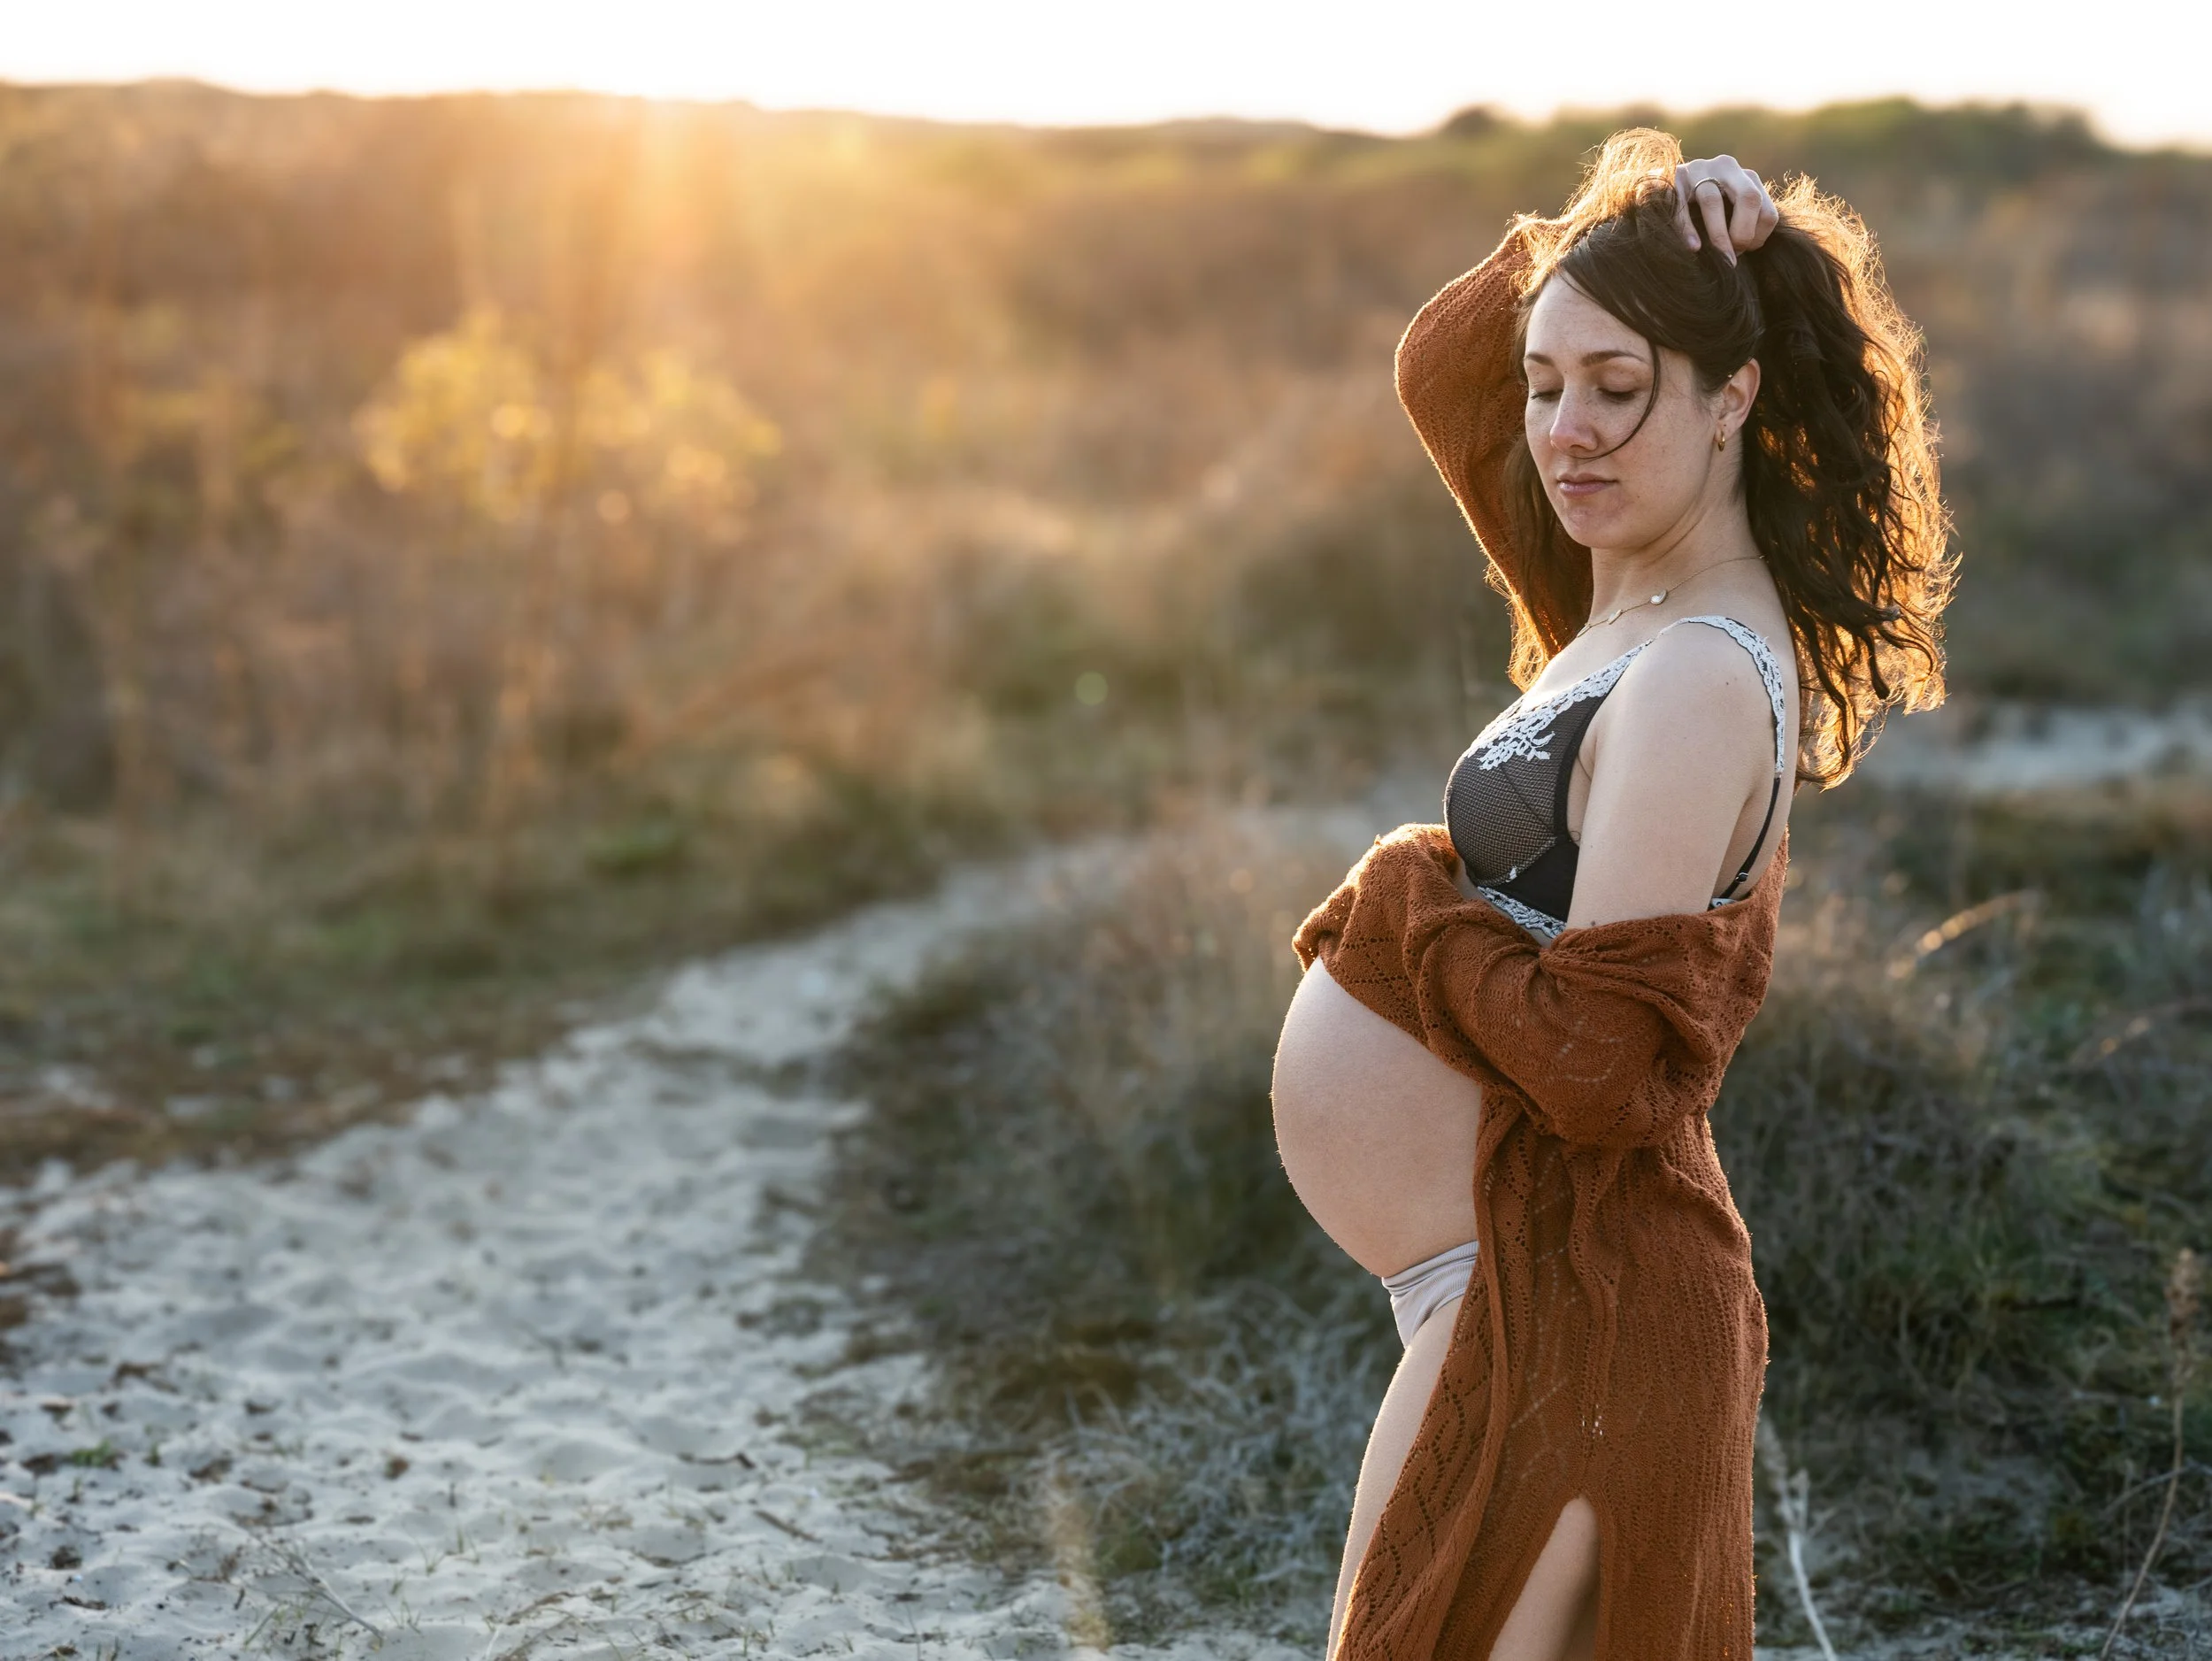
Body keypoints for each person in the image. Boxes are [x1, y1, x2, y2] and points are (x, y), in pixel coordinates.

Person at [1271, 130, 1953, 1659]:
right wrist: (1628, 217)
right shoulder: (1612, 588)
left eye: (1620, 386)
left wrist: (1407, 904)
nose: (1565, 430)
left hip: (1584, 1324)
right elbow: (1439, 362)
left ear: (1735, 397)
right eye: (1548, 382)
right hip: (1500, 1307)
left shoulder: (1702, 671)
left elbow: (1601, 1071)